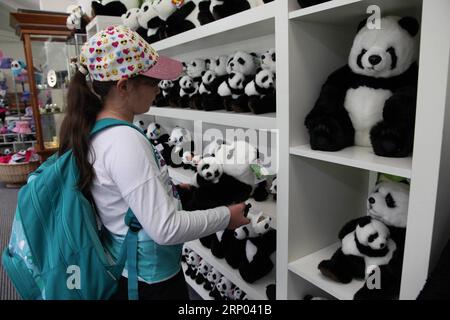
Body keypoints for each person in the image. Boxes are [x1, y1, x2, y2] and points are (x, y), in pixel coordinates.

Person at [59, 25, 250, 300]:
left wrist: (165, 190)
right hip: (150, 281)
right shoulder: (125, 141)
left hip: (129, 267)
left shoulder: (98, 130)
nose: (159, 89)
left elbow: (121, 195)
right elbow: (166, 228)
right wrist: (226, 216)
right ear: (124, 86)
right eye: (152, 82)